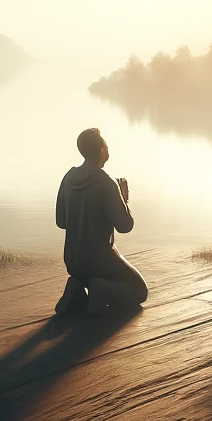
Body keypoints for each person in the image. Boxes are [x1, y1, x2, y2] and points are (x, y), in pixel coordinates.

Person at [54, 127, 148, 316]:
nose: (109, 155)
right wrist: (123, 196)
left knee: (86, 276)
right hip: (100, 260)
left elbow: (61, 221)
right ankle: (100, 289)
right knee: (140, 291)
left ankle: (77, 285)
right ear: (98, 151)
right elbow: (125, 226)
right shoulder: (106, 183)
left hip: (72, 260)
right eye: (106, 148)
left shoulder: (68, 178)